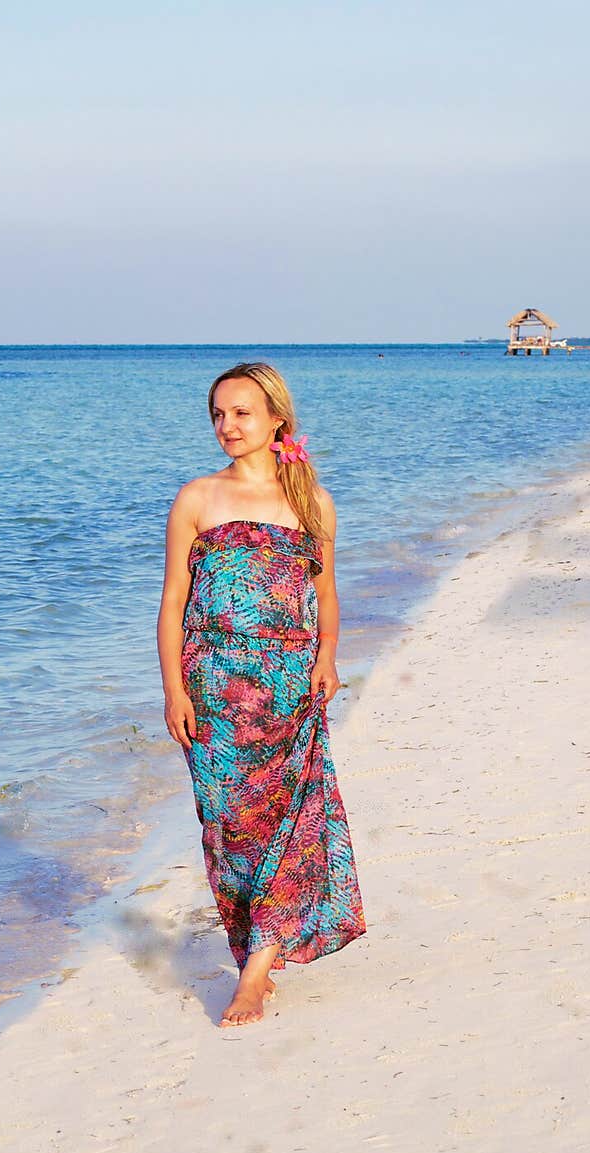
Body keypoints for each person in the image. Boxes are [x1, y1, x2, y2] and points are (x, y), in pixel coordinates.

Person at [157, 362, 367, 1027]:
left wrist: (327, 656)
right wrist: (173, 691)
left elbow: (326, 595)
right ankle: (253, 944)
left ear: (276, 417)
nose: (227, 426)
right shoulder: (197, 498)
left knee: (290, 819)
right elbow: (171, 603)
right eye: (218, 414)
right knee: (226, 826)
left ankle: (254, 972)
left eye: (241, 412)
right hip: (213, 690)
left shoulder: (312, 501)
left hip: (288, 689)